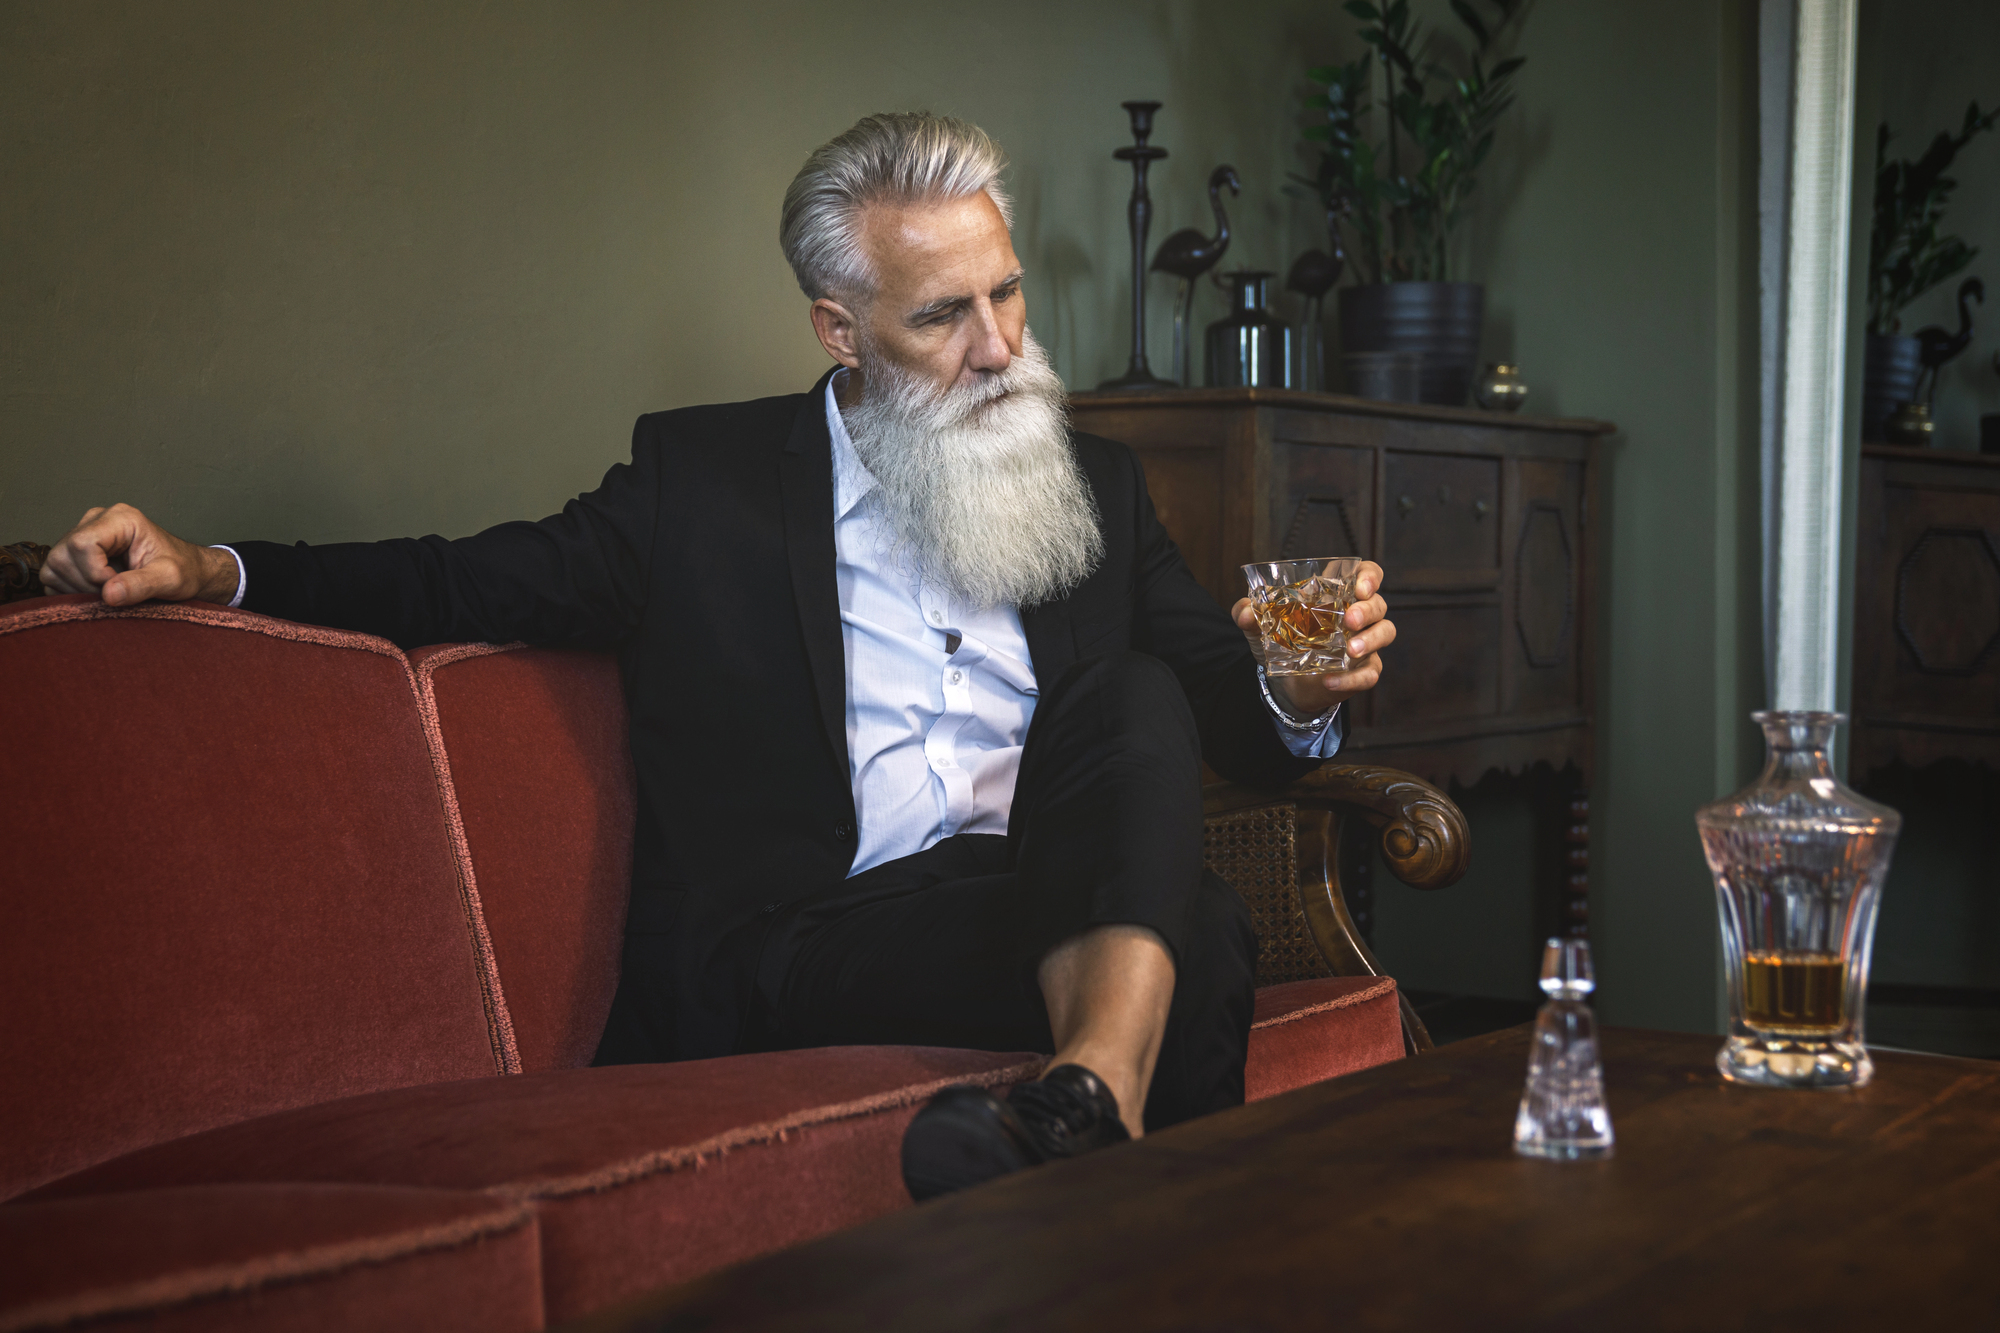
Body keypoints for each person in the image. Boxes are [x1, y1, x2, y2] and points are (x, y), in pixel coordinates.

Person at [40, 112, 1396, 1199]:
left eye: (1007, 293)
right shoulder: (703, 481)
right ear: (839, 330)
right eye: (942, 317)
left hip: (1025, 895)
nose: (1001, 350)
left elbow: (1223, 709)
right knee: (1199, 935)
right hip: (804, 941)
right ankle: (1149, 1232)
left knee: (1150, 738)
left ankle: (1081, 1102)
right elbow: (458, 573)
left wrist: (1298, 683)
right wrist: (213, 566)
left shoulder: (1092, 486)